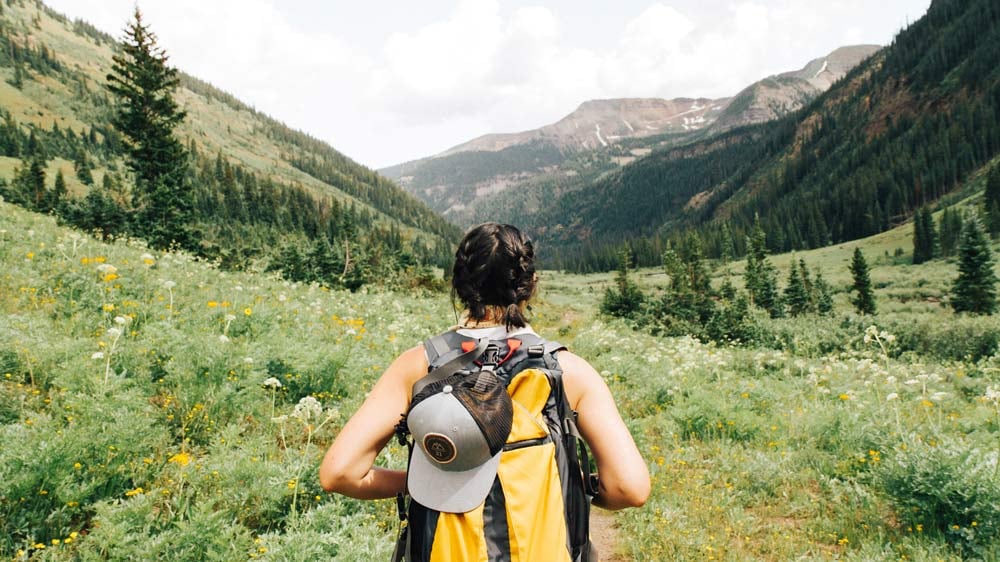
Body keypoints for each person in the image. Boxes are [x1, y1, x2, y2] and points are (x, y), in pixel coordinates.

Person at [320, 222, 649, 560]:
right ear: (530, 285)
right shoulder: (568, 371)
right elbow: (630, 488)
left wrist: (418, 481)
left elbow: (340, 473)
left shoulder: (418, 366)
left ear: (458, 284)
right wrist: (576, 486)